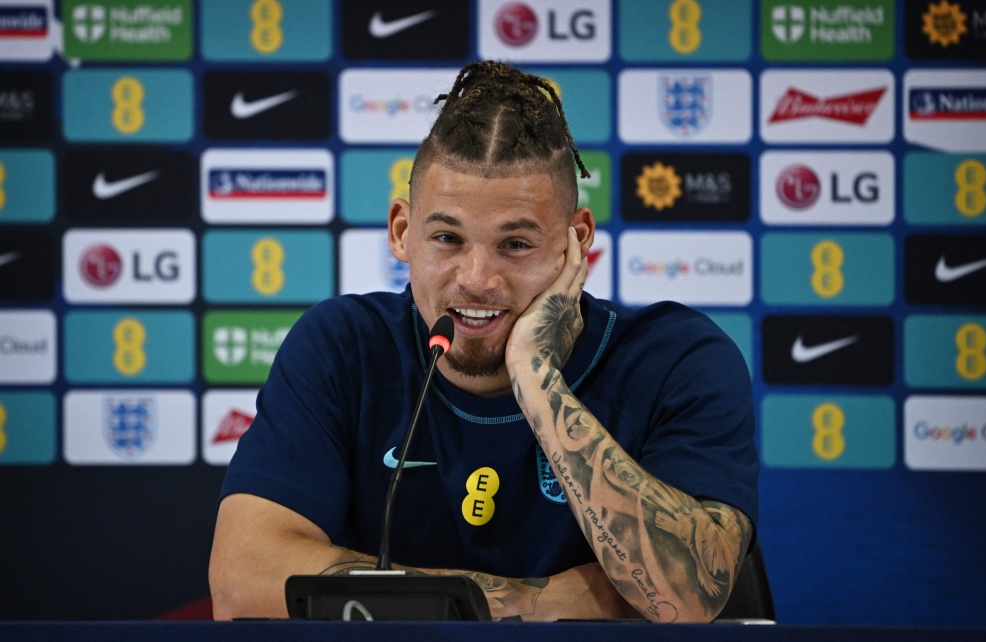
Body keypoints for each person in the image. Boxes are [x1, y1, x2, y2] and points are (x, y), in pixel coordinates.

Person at [209, 61, 758, 623]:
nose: (476, 278)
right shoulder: (342, 346)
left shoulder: (678, 360)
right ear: (402, 231)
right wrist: (538, 602)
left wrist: (537, 378)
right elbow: (242, 582)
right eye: (447, 238)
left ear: (577, 241)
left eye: (516, 244)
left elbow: (688, 597)